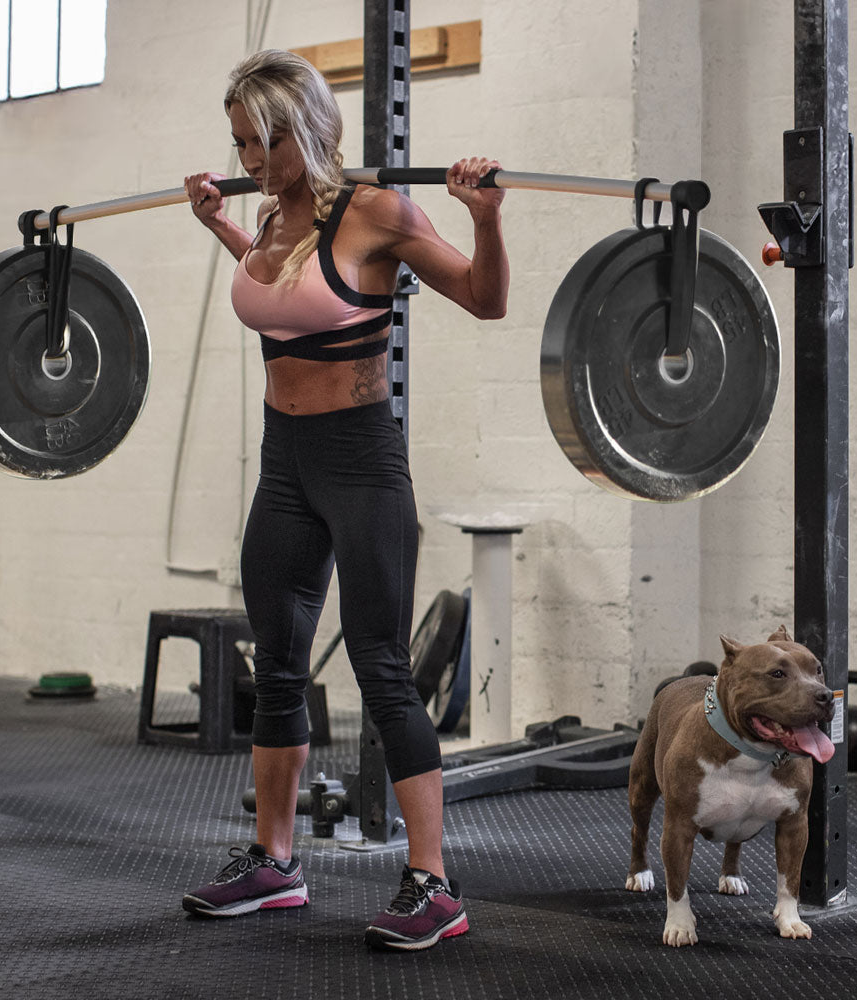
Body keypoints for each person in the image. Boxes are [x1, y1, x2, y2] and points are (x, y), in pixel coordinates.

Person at [180, 48, 508, 953]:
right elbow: (287, 296)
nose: (249, 160)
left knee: (381, 667)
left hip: (361, 466)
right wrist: (222, 227)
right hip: (283, 464)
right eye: (239, 144)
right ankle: (275, 865)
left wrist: (482, 219)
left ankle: (432, 884)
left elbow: (485, 300)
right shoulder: (271, 218)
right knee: (277, 665)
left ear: (306, 130)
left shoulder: (377, 212)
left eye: (263, 143)